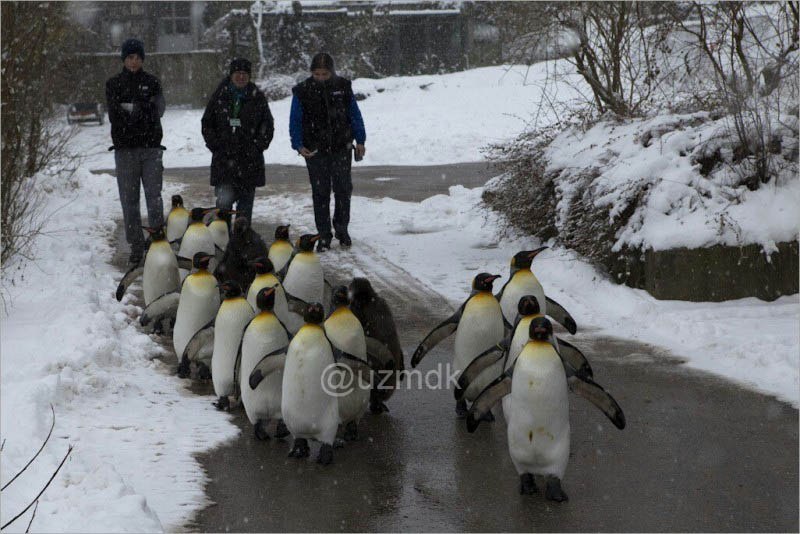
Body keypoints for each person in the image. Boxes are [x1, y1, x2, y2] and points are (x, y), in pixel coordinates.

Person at [289, 52, 366, 252]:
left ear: (331, 71)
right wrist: (298, 144)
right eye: (317, 74)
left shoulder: (342, 87)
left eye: (325, 74)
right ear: (311, 73)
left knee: (343, 189)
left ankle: (342, 229)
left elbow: (354, 114)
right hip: (315, 150)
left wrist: (360, 139)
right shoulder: (303, 91)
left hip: (341, 147)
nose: (321, 78)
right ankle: (323, 234)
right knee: (320, 192)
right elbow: (295, 120)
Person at [106, 38, 166, 265]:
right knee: (129, 201)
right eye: (130, 57)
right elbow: (114, 114)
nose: (134, 61)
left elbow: (158, 110)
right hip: (125, 151)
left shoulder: (152, 82)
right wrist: (142, 109)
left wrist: (132, 108)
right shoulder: (113, 84)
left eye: (138, 57)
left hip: (151, 149)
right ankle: (136, 244)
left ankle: (157, 239)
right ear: (124, 59)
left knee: (154, 198)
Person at [201, 58, 274, 226]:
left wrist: (257, 147)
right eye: (237, 73)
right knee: (223, 208)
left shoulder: (257, 98)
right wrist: (216, 146)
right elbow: (207, 124)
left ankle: (242, 244)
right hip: (224, 162)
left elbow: (267, 126)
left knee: (244, 211)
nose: (241, 77)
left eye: (244, 74)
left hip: (249, 163)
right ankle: (223, 242)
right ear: (231, 75)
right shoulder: (219, 96)